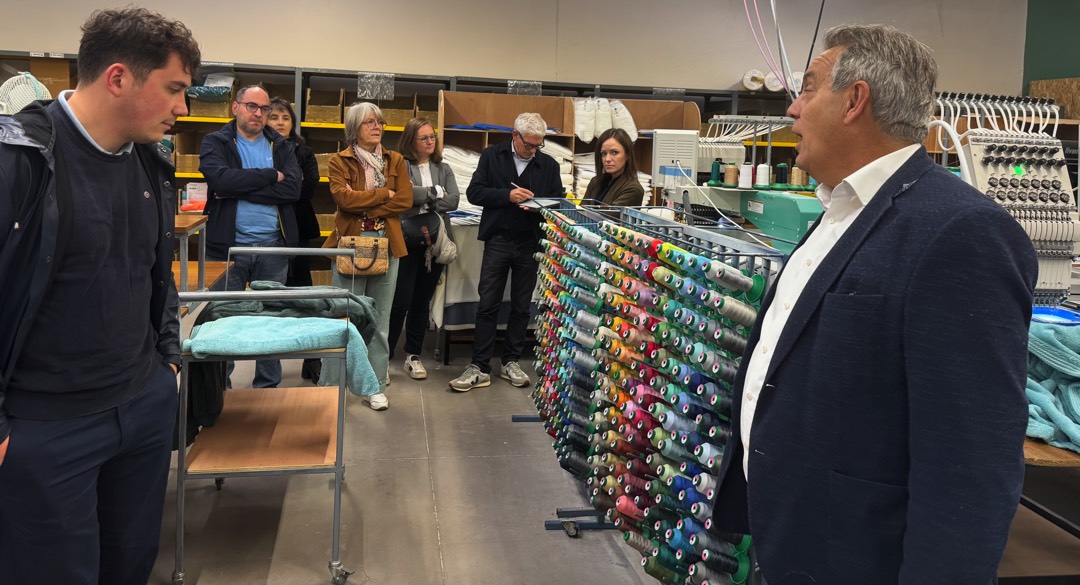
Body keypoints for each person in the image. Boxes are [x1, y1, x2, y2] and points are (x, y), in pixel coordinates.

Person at [709, 24, 1037, 585]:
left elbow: (969, 467)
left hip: (858, 558)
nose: (792, 109)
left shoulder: (960, 231)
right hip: (793, 541)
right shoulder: (840, 211)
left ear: (854, 101)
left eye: (808, 89)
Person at [0, 8, 200, 583]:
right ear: (118, 78)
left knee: (130, 564)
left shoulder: (151, 165)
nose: (183, 109)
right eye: (174, 89)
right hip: (44, 428)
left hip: (141, 407)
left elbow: (156, 273)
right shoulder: (19, 159)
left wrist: (166, 362)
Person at [449, 113, 564, 392]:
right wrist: (507, 196)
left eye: (538, 145)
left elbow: (558, 202)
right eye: (529, 144)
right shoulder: (492, 156)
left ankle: (511, 361)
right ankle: (480, 365)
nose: (533, 150)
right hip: (498, 239)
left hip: (530, 242)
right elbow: (475, 193)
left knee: (522, 306)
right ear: (515, 135)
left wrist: (538, 206)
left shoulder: (549, 165)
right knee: (488, 302)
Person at [199, 85, 302, 388]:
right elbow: (220, 180)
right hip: (227, 249)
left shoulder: (281, 145)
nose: (258, 113)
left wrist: (238, 187)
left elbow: (292, 190)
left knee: (269, 323)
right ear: (236, 107)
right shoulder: (216, 141)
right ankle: (219, 391)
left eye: (264, 108)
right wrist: (269, 175)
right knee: (223, 322)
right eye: (251, 106)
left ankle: (267, 389)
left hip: (273, 248)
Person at [322, 102, 412, 410]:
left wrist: (367, 206)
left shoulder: (395, 160)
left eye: (379, 122)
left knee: (379, 320)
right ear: (354, 129)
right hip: (351, 243)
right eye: (369, 122)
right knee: (344, 317)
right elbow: (343, 200)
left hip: (388, 243)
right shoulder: (339, 160)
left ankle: (374, 386)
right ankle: (332, 385)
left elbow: (404, 200)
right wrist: (383, 194)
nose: (377, 127)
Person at [390, 118, 460, 379]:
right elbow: (402, 198)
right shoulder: (400, 165)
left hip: (436, 243)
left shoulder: (444, 168)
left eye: (433, 137)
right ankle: (384, 357)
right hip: (407, 241)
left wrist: (422, 198)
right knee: (400, 302)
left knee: (421, 302)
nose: (430, 141)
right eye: (424, 138)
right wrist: (435, 193)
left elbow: (454, 200)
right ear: (411, 140)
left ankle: (413, 355)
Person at [267, 96, 323, 383]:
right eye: (274, 117)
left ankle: (312, 359)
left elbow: (308, 188)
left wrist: (270, 185)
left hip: (298, 229)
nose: (280, 122)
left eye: (285, 117)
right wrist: (288, 185)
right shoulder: (259, 149)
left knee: (305, 295)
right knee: (272, 297)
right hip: (268, 231)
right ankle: (270, 359)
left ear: (293, 122)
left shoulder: (303, 152)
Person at [583, 127, 644, 206]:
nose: (607, 159)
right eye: (604, 153)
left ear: (627, 155)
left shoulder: (633, 189)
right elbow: (580, 210)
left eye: (614, 152)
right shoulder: (595, 181)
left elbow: (609, 213)